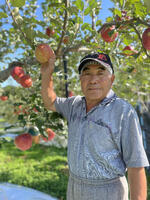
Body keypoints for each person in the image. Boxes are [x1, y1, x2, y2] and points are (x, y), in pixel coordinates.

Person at [41, 51, 149, 200]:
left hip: (108, 191)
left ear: (112, 79)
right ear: (80, 79)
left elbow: (136, 166)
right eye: (87, 73)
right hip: (74, 187)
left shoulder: (123, 111)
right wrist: (47, 74)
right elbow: (50, 102)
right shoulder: (74, 104)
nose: (93, 80)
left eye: (100, 73)